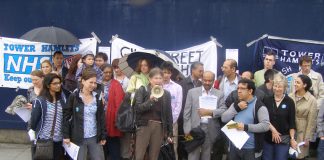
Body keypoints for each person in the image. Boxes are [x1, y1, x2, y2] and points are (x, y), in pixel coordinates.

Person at [63, 68, 106, 160]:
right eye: (91, 82)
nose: (93, 85)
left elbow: (101, 117)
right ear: (83, 81)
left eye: (95, 83)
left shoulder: (97, 97)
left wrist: (103, 135)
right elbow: (66, 116)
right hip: (78, 137)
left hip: (94, 136)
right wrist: (66, 135)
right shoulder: (74, 97)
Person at [222, 79, 270, 160]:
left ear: (250, 91)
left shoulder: (259, 106)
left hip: (250, 149)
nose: (239, 91)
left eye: (242, 89)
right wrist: (237, 108)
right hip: (234, 147)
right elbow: (224, 118)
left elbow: (265, 126)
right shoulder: (235, 104)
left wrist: (246, 127)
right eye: (238, 88)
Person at [183, 71, 227, 160]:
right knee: (192, 155)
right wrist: (187, 130)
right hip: (193, 128)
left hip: (210, 129)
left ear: (214, 81)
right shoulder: (192, 92)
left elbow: (223, 110)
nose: (207, 83)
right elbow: (186, 113)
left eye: (210, 81)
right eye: (205, 80)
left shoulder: (219, 94)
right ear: (201, 79)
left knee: (207, 155)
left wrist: (210, 112)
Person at [133, 67, 173, 160]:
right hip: (144, 126)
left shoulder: (166, 94)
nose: (158, 80)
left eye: (160, 78)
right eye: (155, 78)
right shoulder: (143, 90)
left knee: (154, 156)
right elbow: (138, 108)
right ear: (150, 79)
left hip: (159, 126)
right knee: (139, 154)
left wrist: (169, 132)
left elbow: (168, 114)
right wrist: (150, 101)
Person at [29, 73, 67, 160]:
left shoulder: (62, 99)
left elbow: (65, 118)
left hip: (58, 140)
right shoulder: (40, 100)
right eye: (55, 83)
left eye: (59, 83)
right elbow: (34, 119)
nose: (58, 85)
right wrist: (32, 132)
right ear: (48, 85)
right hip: (44, 140)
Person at [121, 58, 151, 159]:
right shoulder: (135, 77)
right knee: (132, 137)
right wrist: (138, 93)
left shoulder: (152, 78)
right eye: (141, 65)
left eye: (146, 65)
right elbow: (128, 93)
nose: (143, 67)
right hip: (135, 109)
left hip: (148, 111)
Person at [262, 74, 297, 160]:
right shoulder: (266, 99)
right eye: (275, 86)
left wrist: (292, 139)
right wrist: (273, 130)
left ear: (285, 87)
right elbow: (263, 118)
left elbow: (292, 123)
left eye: (280, 87)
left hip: (283, 139)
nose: (277, 89)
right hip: (268, 138)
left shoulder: (290, 101)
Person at [178, 61, 204, 159]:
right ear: (193, 70)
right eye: (200, 71)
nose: (202, 73)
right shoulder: (182, 83)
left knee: (193, 144)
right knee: (185, 143)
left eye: (203, 71)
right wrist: (183, 118)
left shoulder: (202, 84)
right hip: (184, 121)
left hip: (197, 121)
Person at [289, 74, 318, 159]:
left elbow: (311, 121)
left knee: (299, 155)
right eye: (295, 82)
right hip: (289, 130)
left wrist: (307, 138)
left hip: (302, 132)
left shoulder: (312, 100)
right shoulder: (290, 96)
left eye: (298, 82)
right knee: (287, 154)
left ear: (304, 85)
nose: (295, 84)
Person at [101, 64, 125, 160]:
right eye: (105, 72)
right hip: (99, 120)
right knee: (102, 147)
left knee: (113, 146)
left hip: (111, 119)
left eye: (110, 72)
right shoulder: (96, 83)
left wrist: (116, 119)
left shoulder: (116, 84)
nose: (108, 74)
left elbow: (119, 104)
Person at [161, 61, 183, 160]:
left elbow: (178, 107)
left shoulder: (177, 87)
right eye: (164, 72)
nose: (166, 75)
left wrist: (171, 122)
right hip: (158, 122)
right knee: (157, 148)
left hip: (173, 123)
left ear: (172, 73)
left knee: (173, 147)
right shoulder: (156, 86)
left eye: (168, 72)